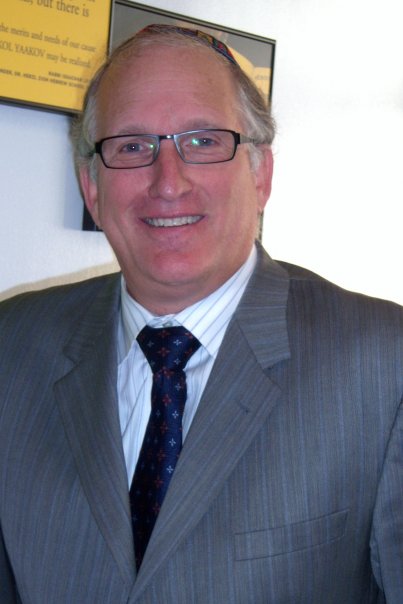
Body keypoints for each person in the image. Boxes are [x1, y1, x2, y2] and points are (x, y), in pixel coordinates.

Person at [0, 24, 402, 604]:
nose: (168, 182)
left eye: (204, 140)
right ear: (92, 187)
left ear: (260, 175)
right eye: (132, 147)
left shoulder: (385, 366)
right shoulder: (10, 348)